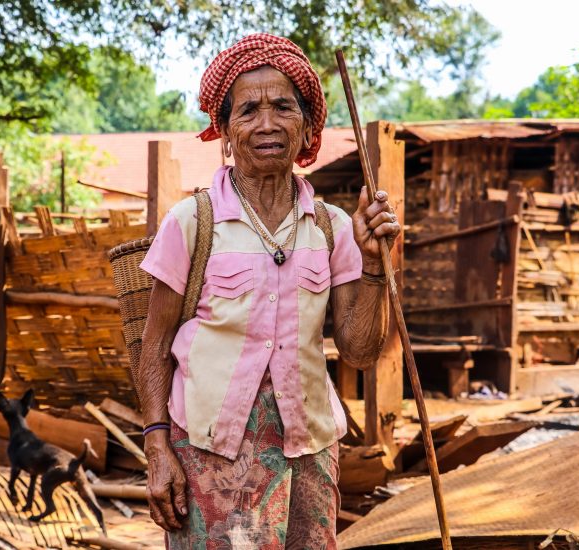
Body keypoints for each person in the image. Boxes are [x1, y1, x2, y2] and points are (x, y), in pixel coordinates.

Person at [137, 33, 400, 549]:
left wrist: (373, 265)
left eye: (283, 107)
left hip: (310, 456)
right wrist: (156, 447)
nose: (266, 123)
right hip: (210, 454)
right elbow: (154, 346)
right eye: (248, 110)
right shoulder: (192, 222)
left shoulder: (333, 227)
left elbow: (361, 351)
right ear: (227, 133)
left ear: (306, 129)